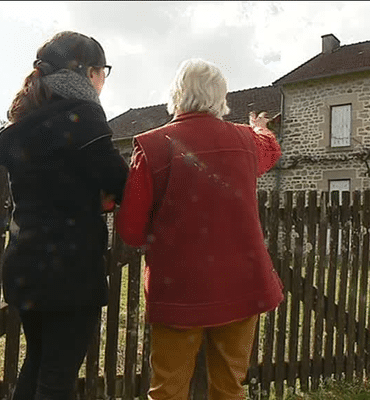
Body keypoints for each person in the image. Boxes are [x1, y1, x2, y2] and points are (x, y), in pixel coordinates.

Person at [116, 58, 284, 400]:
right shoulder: (246, 142)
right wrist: (260, 127)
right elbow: (270, 148)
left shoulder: (151, 145)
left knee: (168, 391)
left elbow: (131, 231)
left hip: (179, 289)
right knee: (229, 388)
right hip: (241, 284)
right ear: (221, 98)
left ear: (177, 94)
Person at [0, 31, 128, 399]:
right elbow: (120, 181)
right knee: (57, 376)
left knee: (37, 363)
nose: (102, 81)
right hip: (68, 268)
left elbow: (55, 183)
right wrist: (104, 196)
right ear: (87, 73)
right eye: (103, 71)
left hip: (25, 261)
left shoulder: (25, 123)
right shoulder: (83, 116)